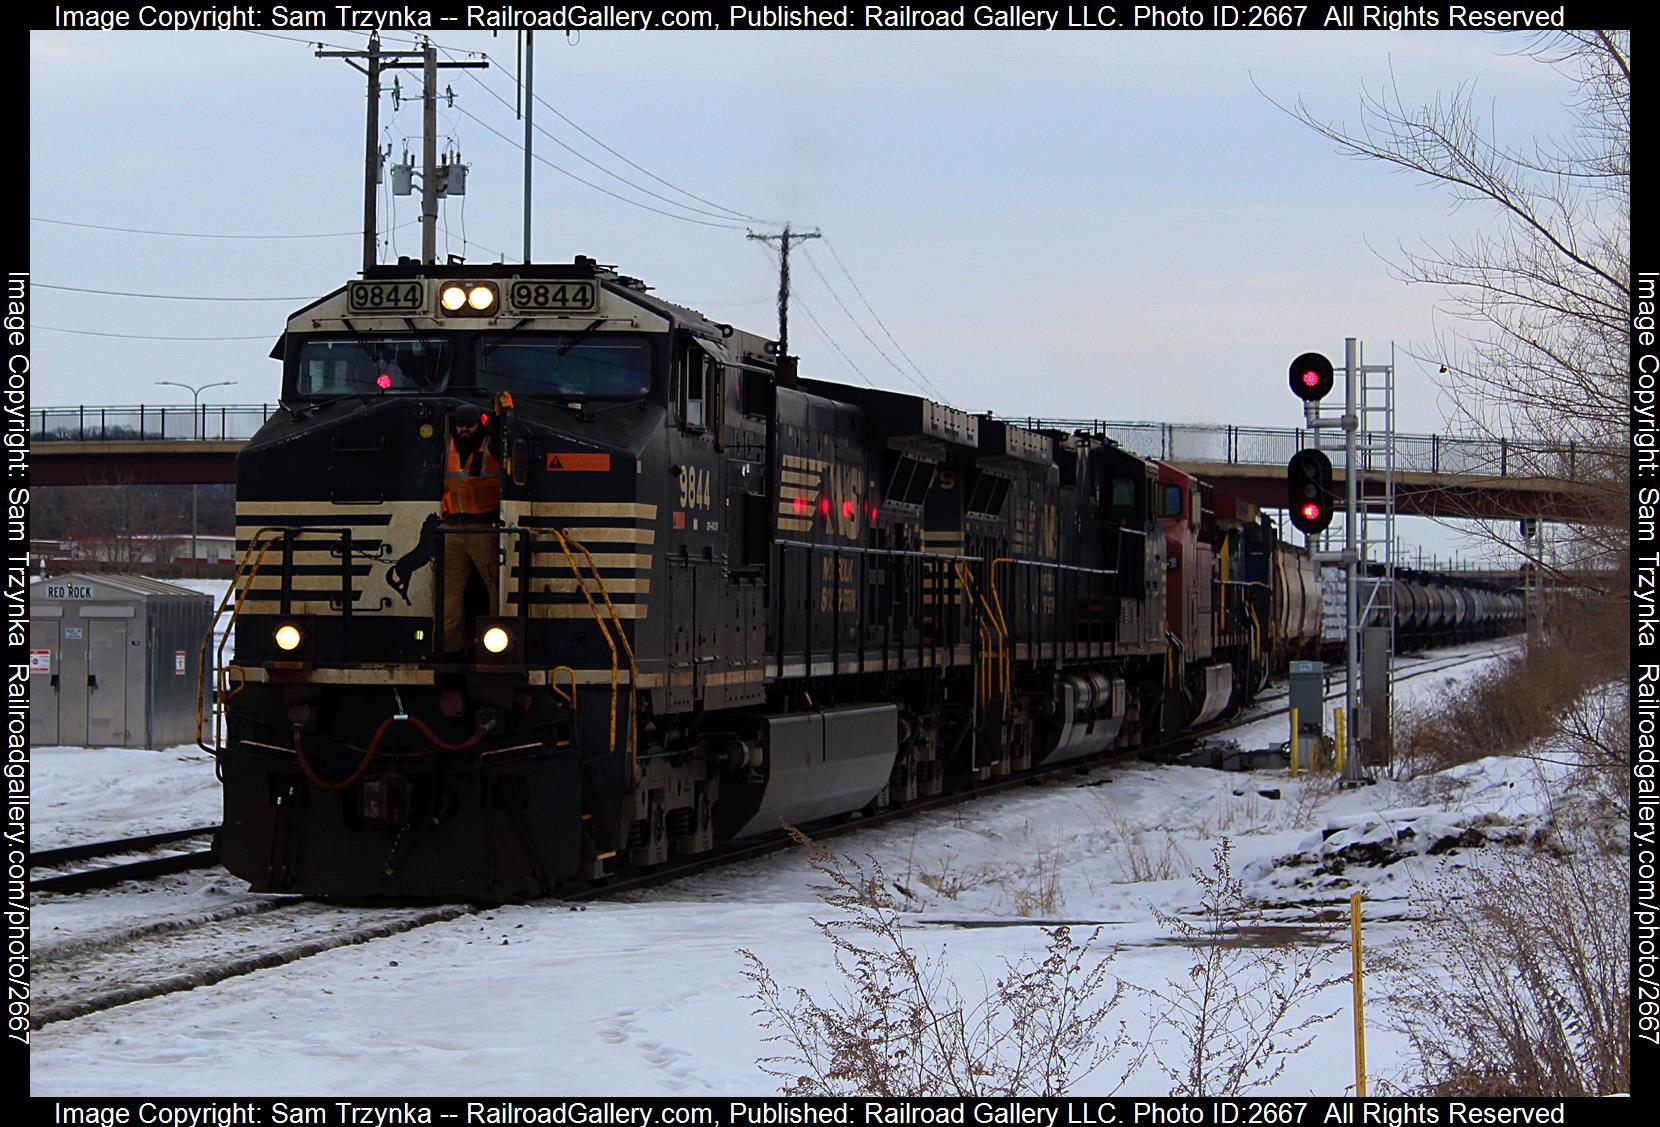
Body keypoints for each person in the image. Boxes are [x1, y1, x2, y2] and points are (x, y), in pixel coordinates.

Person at [440, 403, 502, 655]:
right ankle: (450, 648)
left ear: (480, 425)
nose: (465, 430)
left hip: (485, 529)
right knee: (448, 595)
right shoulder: (446, 449)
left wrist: (500, 415)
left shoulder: (491, 448)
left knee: (496, 589)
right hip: (452, 529)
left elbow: (501, 442)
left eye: (470, 425)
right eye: (460, 425)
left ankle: (497, 644)